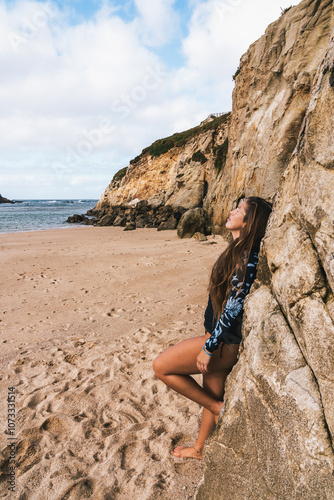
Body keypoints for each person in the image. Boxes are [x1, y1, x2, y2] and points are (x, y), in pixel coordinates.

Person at [153, 197, 272, 459]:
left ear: (249, 221)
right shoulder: (239, 249)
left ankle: (217, 407)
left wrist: (208, 346)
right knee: (210, 391)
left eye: (238, 210)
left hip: (223, 343)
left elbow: (233, 306)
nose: (231, 211)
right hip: (219, 338)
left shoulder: (247, 256)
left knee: (161, 367)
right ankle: (199, 449)